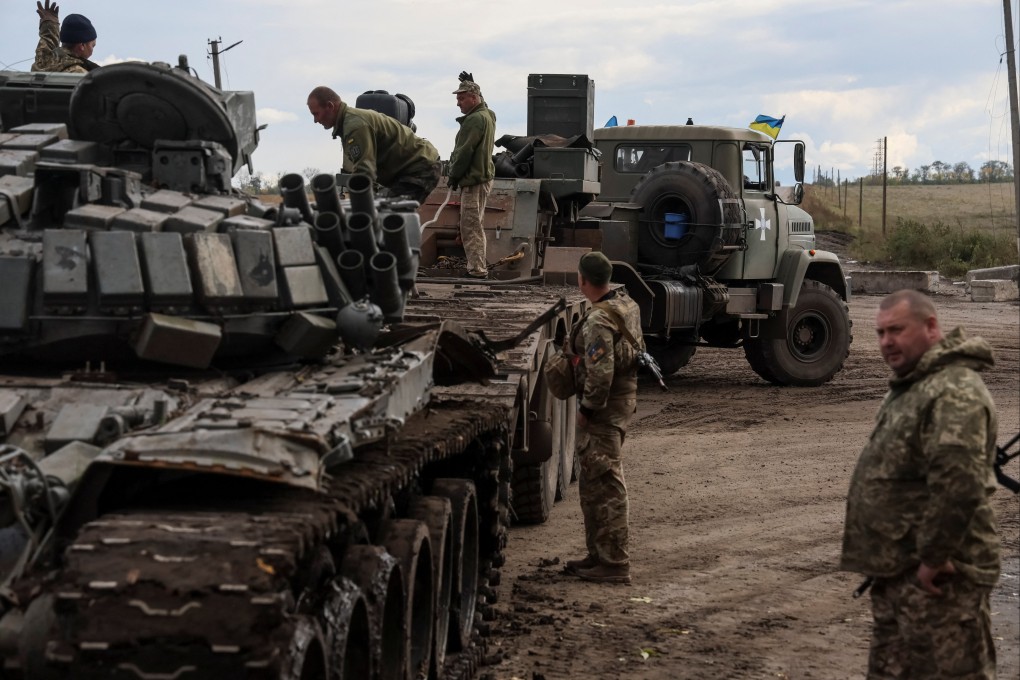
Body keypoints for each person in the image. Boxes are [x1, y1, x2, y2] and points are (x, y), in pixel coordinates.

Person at [841, 289, 1000, 679]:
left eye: (896, 330)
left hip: (939, 582)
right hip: (900, 573)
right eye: (880, 333)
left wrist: (933, 556)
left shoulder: (954, 390)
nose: (886, 342)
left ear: (931, 327)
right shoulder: (917, 385)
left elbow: (959, 483)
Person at [563, 251, 643, 584]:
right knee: (593, 480)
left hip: (606, 407)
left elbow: (601, 373)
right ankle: (599, 554)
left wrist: (585, 411)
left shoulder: (598, 320)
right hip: (622, 399)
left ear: (583, 280)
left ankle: (614, 562)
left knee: (607, 481)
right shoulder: (626, 304)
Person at [306, 86, 441, 204]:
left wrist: (362, 206)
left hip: (420, 167)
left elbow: (365, 173)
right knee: (383, 210)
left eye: (316, 114)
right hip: (409, 170)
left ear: (330, 106)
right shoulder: (348, 123)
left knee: (390, 215)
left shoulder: (355, 126)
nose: (315, 120)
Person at [448, 80, 496, 279]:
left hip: (473, 180)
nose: (458, 103)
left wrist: (453, 175)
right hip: (484, 178)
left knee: (470, 226)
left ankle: (477, 269)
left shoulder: (473, 120)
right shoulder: (488, 115)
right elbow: (486, 107)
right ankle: (478, 266)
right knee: (476, 224)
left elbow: (464, 151)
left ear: (473, 98)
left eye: (461, 98)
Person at [31, 0, 99, 74]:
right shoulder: (80, 74)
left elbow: (47, 42)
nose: (92, 50)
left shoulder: (43, 63)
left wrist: (49, 24)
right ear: (82, 46)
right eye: (93, 45)